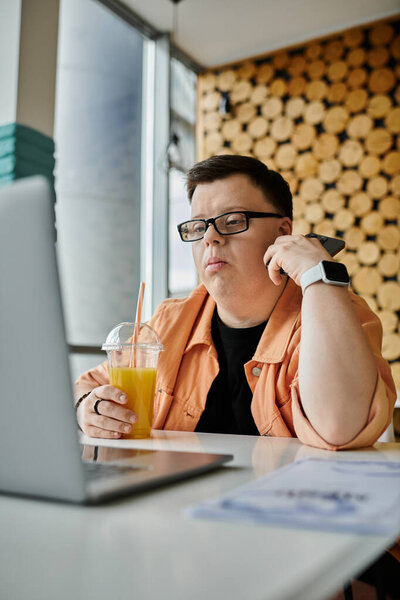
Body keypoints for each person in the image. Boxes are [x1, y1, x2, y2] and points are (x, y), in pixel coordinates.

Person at [75, 154, 396, 450]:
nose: (210, 238)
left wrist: (320, 277)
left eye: (232, 221)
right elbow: (86, 387)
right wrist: (89, 408)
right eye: (198, 226)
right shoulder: (169, 322)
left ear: (284, 232)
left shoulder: (341, 314)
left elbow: (341, 426)